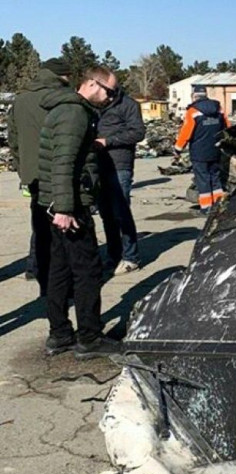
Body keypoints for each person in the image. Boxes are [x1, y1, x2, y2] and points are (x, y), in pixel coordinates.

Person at [37, 65, 121, 358]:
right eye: (110, 92)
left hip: (56, 204)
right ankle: (89, 337)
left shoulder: (65, 110)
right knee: (88, 271)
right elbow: (63, 163)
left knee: (59, 270)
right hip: (69, 206)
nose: (111, 98)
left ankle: (59, 334)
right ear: (92, 85)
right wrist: (64, 208)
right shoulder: (75, 114)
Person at [7, 58, 73, 294]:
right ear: (62, 76)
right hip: (60, 174)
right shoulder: (60, 99)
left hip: (32, 175)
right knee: (65, 232)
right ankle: (61, 287)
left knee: (40, 227)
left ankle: (40, 275)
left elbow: (12, 139)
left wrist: (22, 167)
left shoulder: (21, 99)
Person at [95, 74, 146, 275]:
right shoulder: (95, 106)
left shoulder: (128, 105)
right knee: (106, 214)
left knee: (121, 213)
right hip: (99, 166)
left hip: (120, 165)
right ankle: (113, 255)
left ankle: (130, 257)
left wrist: (108, 141)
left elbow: (138, 132)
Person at [174, 85, 230, 214]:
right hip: (216, 150)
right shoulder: (219, 110)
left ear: (194, 96)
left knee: (203, 180)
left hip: (199, 152)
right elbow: (227, 128)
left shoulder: (193, 112)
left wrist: (177, 149)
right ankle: (218, 206)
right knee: (216, 178)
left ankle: (206, 208)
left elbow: (185, 133)